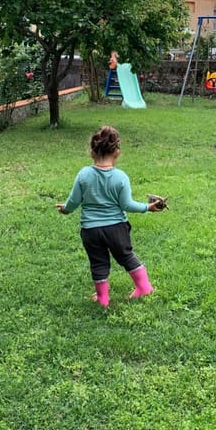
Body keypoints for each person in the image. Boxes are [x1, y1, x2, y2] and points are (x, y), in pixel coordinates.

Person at [56, 125, 163, 308]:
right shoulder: (121, 177)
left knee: (98, 262)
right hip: (117, 229)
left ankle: (103, 299)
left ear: (92, 153)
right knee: (126, 256)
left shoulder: (84, 174)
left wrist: (65, 209)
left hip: (91, 230)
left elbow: (73, 201)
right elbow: (127, 205)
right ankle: (144, 287)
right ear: (117, 153)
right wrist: (148, 207)